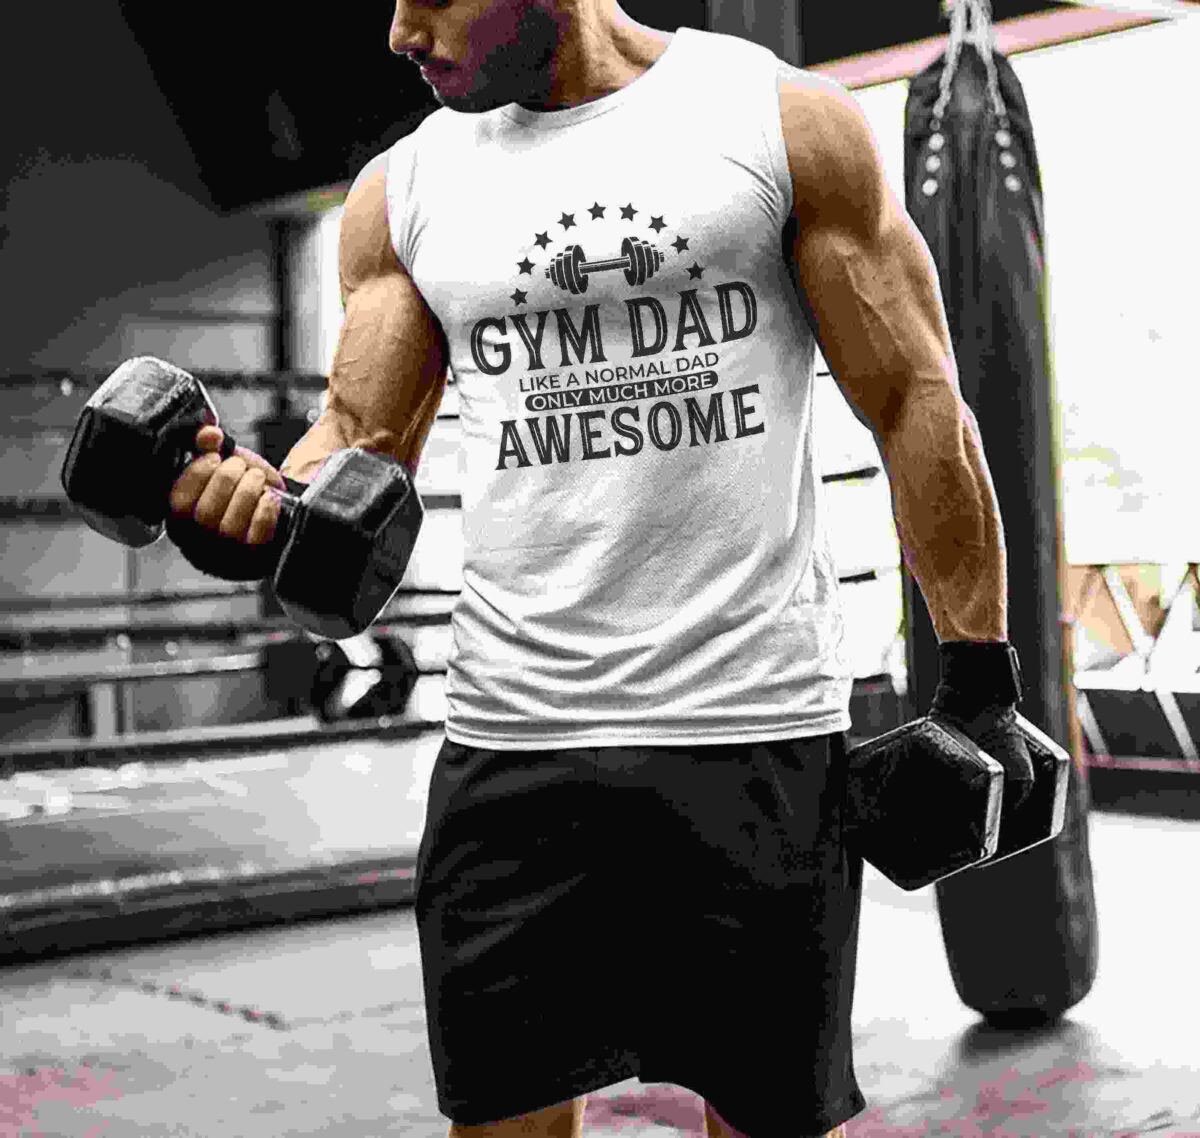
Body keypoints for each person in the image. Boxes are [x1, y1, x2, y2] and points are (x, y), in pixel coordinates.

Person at [167, 2, 1035, 1135]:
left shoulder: (779, 124)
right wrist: (249, 504)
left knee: (766, 1118)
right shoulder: (405, 190)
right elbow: (356, 449)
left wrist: (979, 675)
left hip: (749, 731)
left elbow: (916, 402)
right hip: (511, 748)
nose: (398, 33)